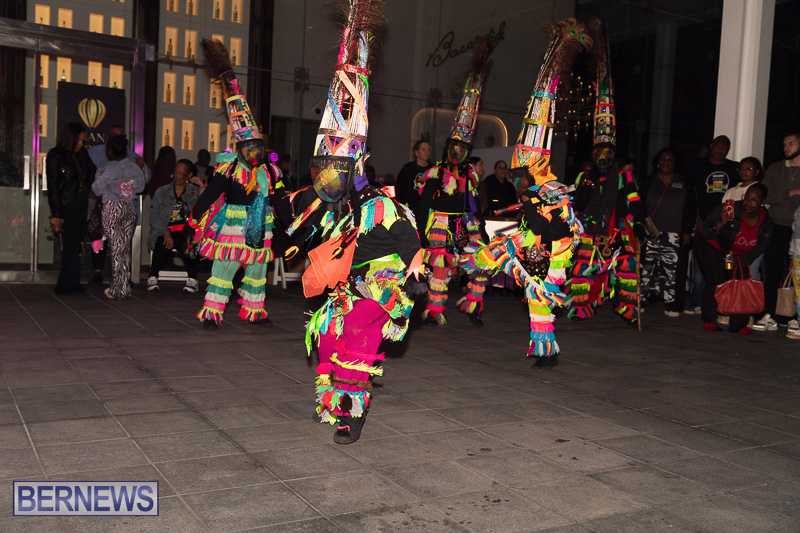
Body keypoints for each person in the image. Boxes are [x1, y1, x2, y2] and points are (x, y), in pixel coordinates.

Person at [283, 0, 421, 444]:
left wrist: (415, 269)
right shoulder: (326, 202)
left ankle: (350, 415)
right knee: (326, 342)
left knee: (357, 347)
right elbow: (305, 240)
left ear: (357, 166)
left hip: (375, 287)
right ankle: (331, 404)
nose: (328, 177)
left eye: (337, 169)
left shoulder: (381, 204)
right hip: (343, 287)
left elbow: (408, 238)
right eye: (325, 167)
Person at [461, 17, 588, 366]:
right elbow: (532, 219)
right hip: (533, 243)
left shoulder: (553, 189)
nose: (520, 161)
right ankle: (473, 275)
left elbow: (564, 228)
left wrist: (543, 246)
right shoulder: (533, 187)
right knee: (496, 262)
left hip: (552, 251)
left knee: (540, 297)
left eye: (525, 158)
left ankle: (546, 352)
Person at [189, 39, 284, 327]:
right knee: (225, 268)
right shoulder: (228, 170)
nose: (255, 152)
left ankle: (254, 310)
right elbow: (211, 194)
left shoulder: (270, 172)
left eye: (258, 147)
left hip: (261, 226)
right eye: (250, 147)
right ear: (241, 148)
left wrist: (289, 221)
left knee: (256, 271)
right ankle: (212, 312)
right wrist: (195, 215)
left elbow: (279, 198)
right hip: (232, 226)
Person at [567, 20, 644, 326]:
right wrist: (585, 183)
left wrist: (635, 217)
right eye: (599, 152)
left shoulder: (623, 174)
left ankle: (628, 308)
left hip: (615, 228)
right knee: (582, 268)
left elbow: (635, 201)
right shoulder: (584, 175)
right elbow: (576, 201)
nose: (603, 157)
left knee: (626, 265)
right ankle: (581, 307)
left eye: (608, 153)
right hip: (588, 227)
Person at [416, 41, 493, 327]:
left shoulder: (470, 175)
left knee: (482, 262)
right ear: (448, 146)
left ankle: (474, 304)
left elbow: (473, 204)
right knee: (439, 270)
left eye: (463, 147)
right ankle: (435, 310)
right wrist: (423, 233)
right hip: (440, 227)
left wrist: (478, 228)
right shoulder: (436, 171)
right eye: (454, 147)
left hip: (466, 227)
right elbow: (427, 201)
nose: (458, 152)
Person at [696, 184, 771, 333]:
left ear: (762, 202)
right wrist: (722, 223)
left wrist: (747, 259)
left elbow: (762, 244)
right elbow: (705, 230)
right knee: (716, 280)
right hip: (713, 248)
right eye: (746, 198)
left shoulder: (766, 221)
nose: (748, 202)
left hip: (737, 254)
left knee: (740, 284)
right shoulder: (729, 209)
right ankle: (710, 319)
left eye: (754, 200)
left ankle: (738, 324)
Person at [753, 133, 800, 331]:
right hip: (777, 226)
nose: (786, 147)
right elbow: (766, 196)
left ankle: (792, 316)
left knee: (795, 272)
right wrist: (791, 193)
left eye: (791, 143)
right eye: (784, 143)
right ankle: (769, 313)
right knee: (772, 271)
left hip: (798, 228)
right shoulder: (775, 168)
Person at [91, 135, 146, 299]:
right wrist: (125, 186)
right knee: (124, 248)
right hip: (129, 208)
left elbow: (96, 188)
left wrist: (112, 185)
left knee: (116, 249)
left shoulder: (107, 168)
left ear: (109, 151)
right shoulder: (134, 167)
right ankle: (124, 286)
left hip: (112, 208)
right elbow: (142, 185)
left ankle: (118, 289)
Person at [640, 148, 690, 317]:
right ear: (657, 162)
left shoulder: (683, 182)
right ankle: (641, 299)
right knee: (646, 268)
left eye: (669, 159)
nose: (666, 162)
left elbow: (691, 208)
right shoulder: (649, 181)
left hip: (674, 233)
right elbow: (638, 204)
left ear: (675, 163)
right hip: (651, 231)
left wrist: (687, 231)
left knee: (672, 271)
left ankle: (671, 303)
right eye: (663, 159)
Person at [47, 122, 95, 294]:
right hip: (66, 205)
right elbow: (53, 187)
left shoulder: (81, 154)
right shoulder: (55, 155)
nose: (82, 144)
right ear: (71, 138)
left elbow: (91, 172)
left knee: (74, 245)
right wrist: (56, 214)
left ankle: (70, 282)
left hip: (80, 203)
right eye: (80, 140)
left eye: (83, 141)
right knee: (68, 245)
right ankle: (66, 284)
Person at [148, 158, 203, 293]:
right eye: (176, 172)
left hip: (186, 230)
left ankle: (192, 279)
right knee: (161, 241)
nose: (177, 176)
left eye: (181, 173)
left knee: (189, 243)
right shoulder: (162, 191)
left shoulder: (193, 192)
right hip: (165, 229)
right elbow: (154, 217)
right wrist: (165, 232)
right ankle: (153, 275)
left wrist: (201, 187)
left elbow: (202, 212)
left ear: (188, 176)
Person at [395, 140, 431, 211]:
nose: (427, 152)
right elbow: (399, 189)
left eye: (429, 149)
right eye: (423, 149)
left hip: (428, 209)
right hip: (410, 208)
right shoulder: (407, 169)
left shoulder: (434, 169)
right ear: (416, 153)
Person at [787, 203, 800, 340]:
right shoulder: (798, 210)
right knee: (799, 294)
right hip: (798, 255)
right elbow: (794, 233)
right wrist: (791, 255)